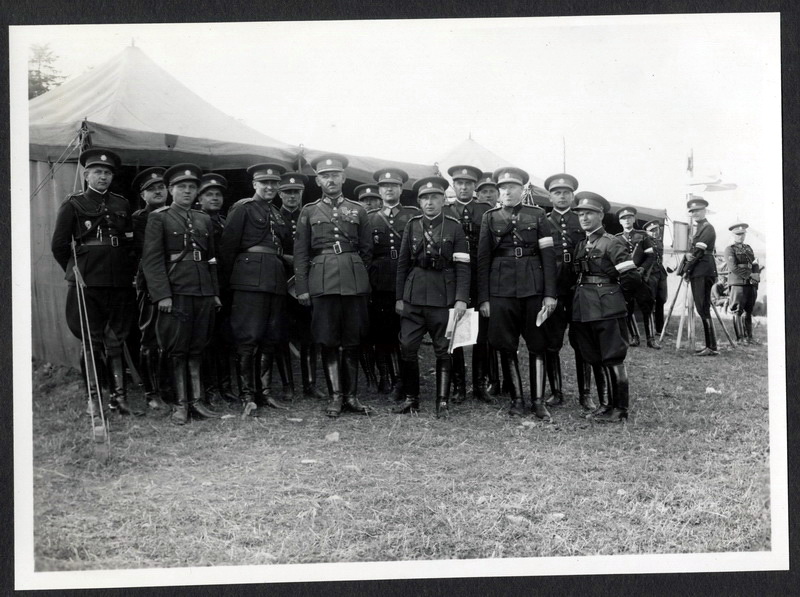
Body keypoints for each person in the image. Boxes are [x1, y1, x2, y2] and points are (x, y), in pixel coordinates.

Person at [51, 148, 138, 415]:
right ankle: (94, 398)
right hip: (88, 278)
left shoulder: (121, 204)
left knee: (116, 338)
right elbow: (59, 245)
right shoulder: (74, 204)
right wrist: (75, 269)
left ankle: (119, 398)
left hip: (119, 279)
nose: (103, 177)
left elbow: (129, 242)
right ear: (86, 174)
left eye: (108, 173)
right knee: (91, 339)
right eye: (98, 172)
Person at [293, 154, 374, 418]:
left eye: (335, 175)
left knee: (352, 339)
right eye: (325, 176)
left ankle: (352, 396)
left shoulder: (358, 210)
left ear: (343, 178)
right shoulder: (309, 211)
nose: (331, 180)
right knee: (328, 339)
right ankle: (335, 397)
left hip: (352, 281)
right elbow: (302, 253)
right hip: (323, 280)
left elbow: (367, 250)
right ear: (318, 180)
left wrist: (356, 272)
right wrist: (303, 287)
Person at [141, 163, 222, 425]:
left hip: (202, 292)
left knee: (198, 346)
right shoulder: (159, 217)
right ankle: (180, 404)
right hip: (176, 291)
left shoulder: (204, 219)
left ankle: (197, 402)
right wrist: (162, 295)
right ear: (171, 190)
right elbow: (152, 261)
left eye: (191, 187)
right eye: (181, 187)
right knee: (177, 348)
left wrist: (214, 293)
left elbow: (210, 259)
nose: (187, 191)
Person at [476, 167, 557, 419]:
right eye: (502, 188)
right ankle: (517, 399)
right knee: (505, 344)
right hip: (501, 289)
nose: (507, 192)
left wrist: (550, 294)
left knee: (537, 344)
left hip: (533, 287)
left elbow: (548, 257)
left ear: (522, 189)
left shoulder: (538, 215)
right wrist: (484, 298)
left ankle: (538, 401)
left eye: (512, 187)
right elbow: (483, 259)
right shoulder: (490, 217)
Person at [218, 162, 294, 417]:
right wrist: (229, 284)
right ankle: (247, 395)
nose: (270, 187)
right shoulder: (243, 208)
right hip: (248, 280)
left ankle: (264, 392)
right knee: (248, 338)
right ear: (254, 185)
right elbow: (228, 248)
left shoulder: (276, 213)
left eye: (274, 183)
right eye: (265, 183)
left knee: (271, 337)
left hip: (274, 279)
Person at [394, 176, 470, 417]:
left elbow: (463, 266)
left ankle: (442, 401)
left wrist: (461, 299)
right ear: (419, 202)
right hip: (414, 295)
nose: (430, 203)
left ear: (442, 200)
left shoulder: (454, 226)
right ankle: (411, 398)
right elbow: (403, 263)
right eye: (425, 198)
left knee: (443, 349)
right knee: (407, 346)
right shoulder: (412, 225)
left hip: (443, 295)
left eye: (434, 198)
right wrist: (399, 297)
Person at [571, 192, 636, 422]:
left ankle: (620, 410)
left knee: (613, 357)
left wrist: (618, 299)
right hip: (585, 308)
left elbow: (630, 276)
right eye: (580, 214)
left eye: (589, 213)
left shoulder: (612, 241)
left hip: (607, 307)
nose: (584, 217)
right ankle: (606, 404)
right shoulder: (582, 244)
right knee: (595, 356)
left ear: (600, 215)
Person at [542, 173, 595, 411]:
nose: (561, 196)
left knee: (582, 342)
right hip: (554, 290)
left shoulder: (581, 220)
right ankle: (556, 391)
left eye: (566, 192)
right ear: (550, 196)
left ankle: (585, 394)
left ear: (573, 195)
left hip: (579, 290)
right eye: (556, 192)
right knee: (552, 342)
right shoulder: (542, 221)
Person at [367, 167, 420, 399]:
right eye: (384, 186)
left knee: (404, 331)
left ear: (401, 189)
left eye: (394, 186)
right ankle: (384, 377)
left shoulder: (412, 215)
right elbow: (366, 251)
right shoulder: (369, 218)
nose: (389, 190)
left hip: (406, 278)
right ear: (379, 191)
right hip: (379, 280)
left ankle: (401, 380)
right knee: (381, 331)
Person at [279, 171, 328, 399]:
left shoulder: (310, 215)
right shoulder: (273, 217)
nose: (291, 196)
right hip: (279, 281)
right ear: (280, 194)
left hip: (305, 282)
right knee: (281, 333)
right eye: (287, 192)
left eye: (296, 192)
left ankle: (310, 384)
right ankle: (288, 385)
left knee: (309, 334)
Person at [446, 164, 492, 403]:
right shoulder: (446, 210)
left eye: (468, 184)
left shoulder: (485, 210)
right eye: (459, 183)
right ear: (453, 186)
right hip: (453, 278)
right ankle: (458, 386)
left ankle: (480, 385)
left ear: (475, 187)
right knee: (455, 332)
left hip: (480, 276)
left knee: (481, 335)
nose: (463, 187)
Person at [131, 167, 171, 411]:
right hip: (150, 285)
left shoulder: (175, 215)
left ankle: (168, 387)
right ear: (143, 195)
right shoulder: (138, 219)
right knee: (150, 338)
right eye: (151, 189)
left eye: (161, 188)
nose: (157, 192)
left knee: (169, 338)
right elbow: (143, 254)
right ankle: (151, 392)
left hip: (174, 282)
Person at [196, 173, 238, 407]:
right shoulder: (198, 220)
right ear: (199, 199)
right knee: (209, 339)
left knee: (226, 338)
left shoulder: (224, 221)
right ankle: (211, 389)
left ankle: (226, 385)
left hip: (226, 284)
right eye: (209, 194)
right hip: (207, 285)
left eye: (218, 194)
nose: (214, 198)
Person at [476, 171, 505, 397]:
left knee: (498, 333)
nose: (487, 195)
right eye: (483, 191)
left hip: (500, 279)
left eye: (491, 191)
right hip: (476, 275)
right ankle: (486, 378)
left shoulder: (503, 216)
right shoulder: (481, 215)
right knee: (480, 334)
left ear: (498, 194)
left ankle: (500, 379)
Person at [615, 207, 660, 349]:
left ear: (634, 219)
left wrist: (642, 269)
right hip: (625, 279)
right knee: (627, 308)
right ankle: (635, 337)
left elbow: (650, 256)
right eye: (623, 218)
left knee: (647, 307)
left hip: (640, 278)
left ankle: (651, 339)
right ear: (620, 222)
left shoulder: (642, 236)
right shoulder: (616, 238)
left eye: (629, 217)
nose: (627, 220)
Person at [684, 197, 719, 356]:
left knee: (703, 308)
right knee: (703, 308)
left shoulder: (707, 228)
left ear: (704, 210)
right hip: (700, 270)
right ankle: (711, 346)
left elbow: (698, 252)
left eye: (697, 210)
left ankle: (711, 347)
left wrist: (686, 269)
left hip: (702, 270)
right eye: (692, 211)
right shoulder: (699, 228)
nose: (695, 213)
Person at [724, 222, 761, 345]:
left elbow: (754, 263)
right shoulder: (730, 249)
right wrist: (750, 275)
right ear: (733, 235)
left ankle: (749, 338)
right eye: (738, 234)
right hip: (738, 283)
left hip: (750, 283)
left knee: (748, 310)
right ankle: (740, 338)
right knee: (737, 311)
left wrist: (756, 276)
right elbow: (733, 267)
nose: (740, 236)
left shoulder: (748, 248)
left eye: (742, 234)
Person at [643, 220, 669, 337]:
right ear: (647, 232)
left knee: (661, 300)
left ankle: (660, 329)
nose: (654, 232)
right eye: (651, 230)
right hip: (650, 273)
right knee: (650, 301)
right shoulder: (644, 241)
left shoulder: (660, 242)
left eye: (656, 230)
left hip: (660, 273)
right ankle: (650, 329)